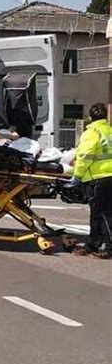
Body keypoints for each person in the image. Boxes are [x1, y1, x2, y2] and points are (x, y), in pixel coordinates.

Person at [69, 103, 112, 258]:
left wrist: (77, 176)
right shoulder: (109, 131)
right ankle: (93, 244)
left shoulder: (92, 132)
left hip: (98, 177)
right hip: (109, 176)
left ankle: (107, 247)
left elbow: (84, 156)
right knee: (102, 214)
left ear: (90, 116)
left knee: (101, 214)